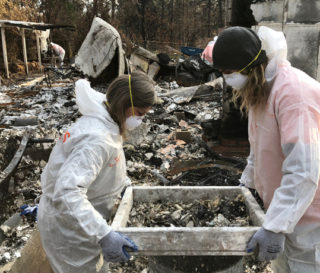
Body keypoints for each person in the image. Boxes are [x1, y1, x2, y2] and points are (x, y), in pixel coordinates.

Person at [212, 26, 320, 273]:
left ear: (250, 66)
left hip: (311, 221)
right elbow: (260, 149)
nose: (227, 79)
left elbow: (303, 171)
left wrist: (275, 227)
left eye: (229, 72)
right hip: (286, 211)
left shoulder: (293, 95)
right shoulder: (262, 90)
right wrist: (247, 184)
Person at [37, 71, 155, 273]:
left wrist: (123, 184)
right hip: (71, 230)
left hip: (84, 222)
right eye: (139, 114)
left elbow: (102, 166)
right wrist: (104, 234)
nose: (140, 121)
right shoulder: (96, 139)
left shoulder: (106, 122)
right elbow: (67, 192)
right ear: (124, 104)